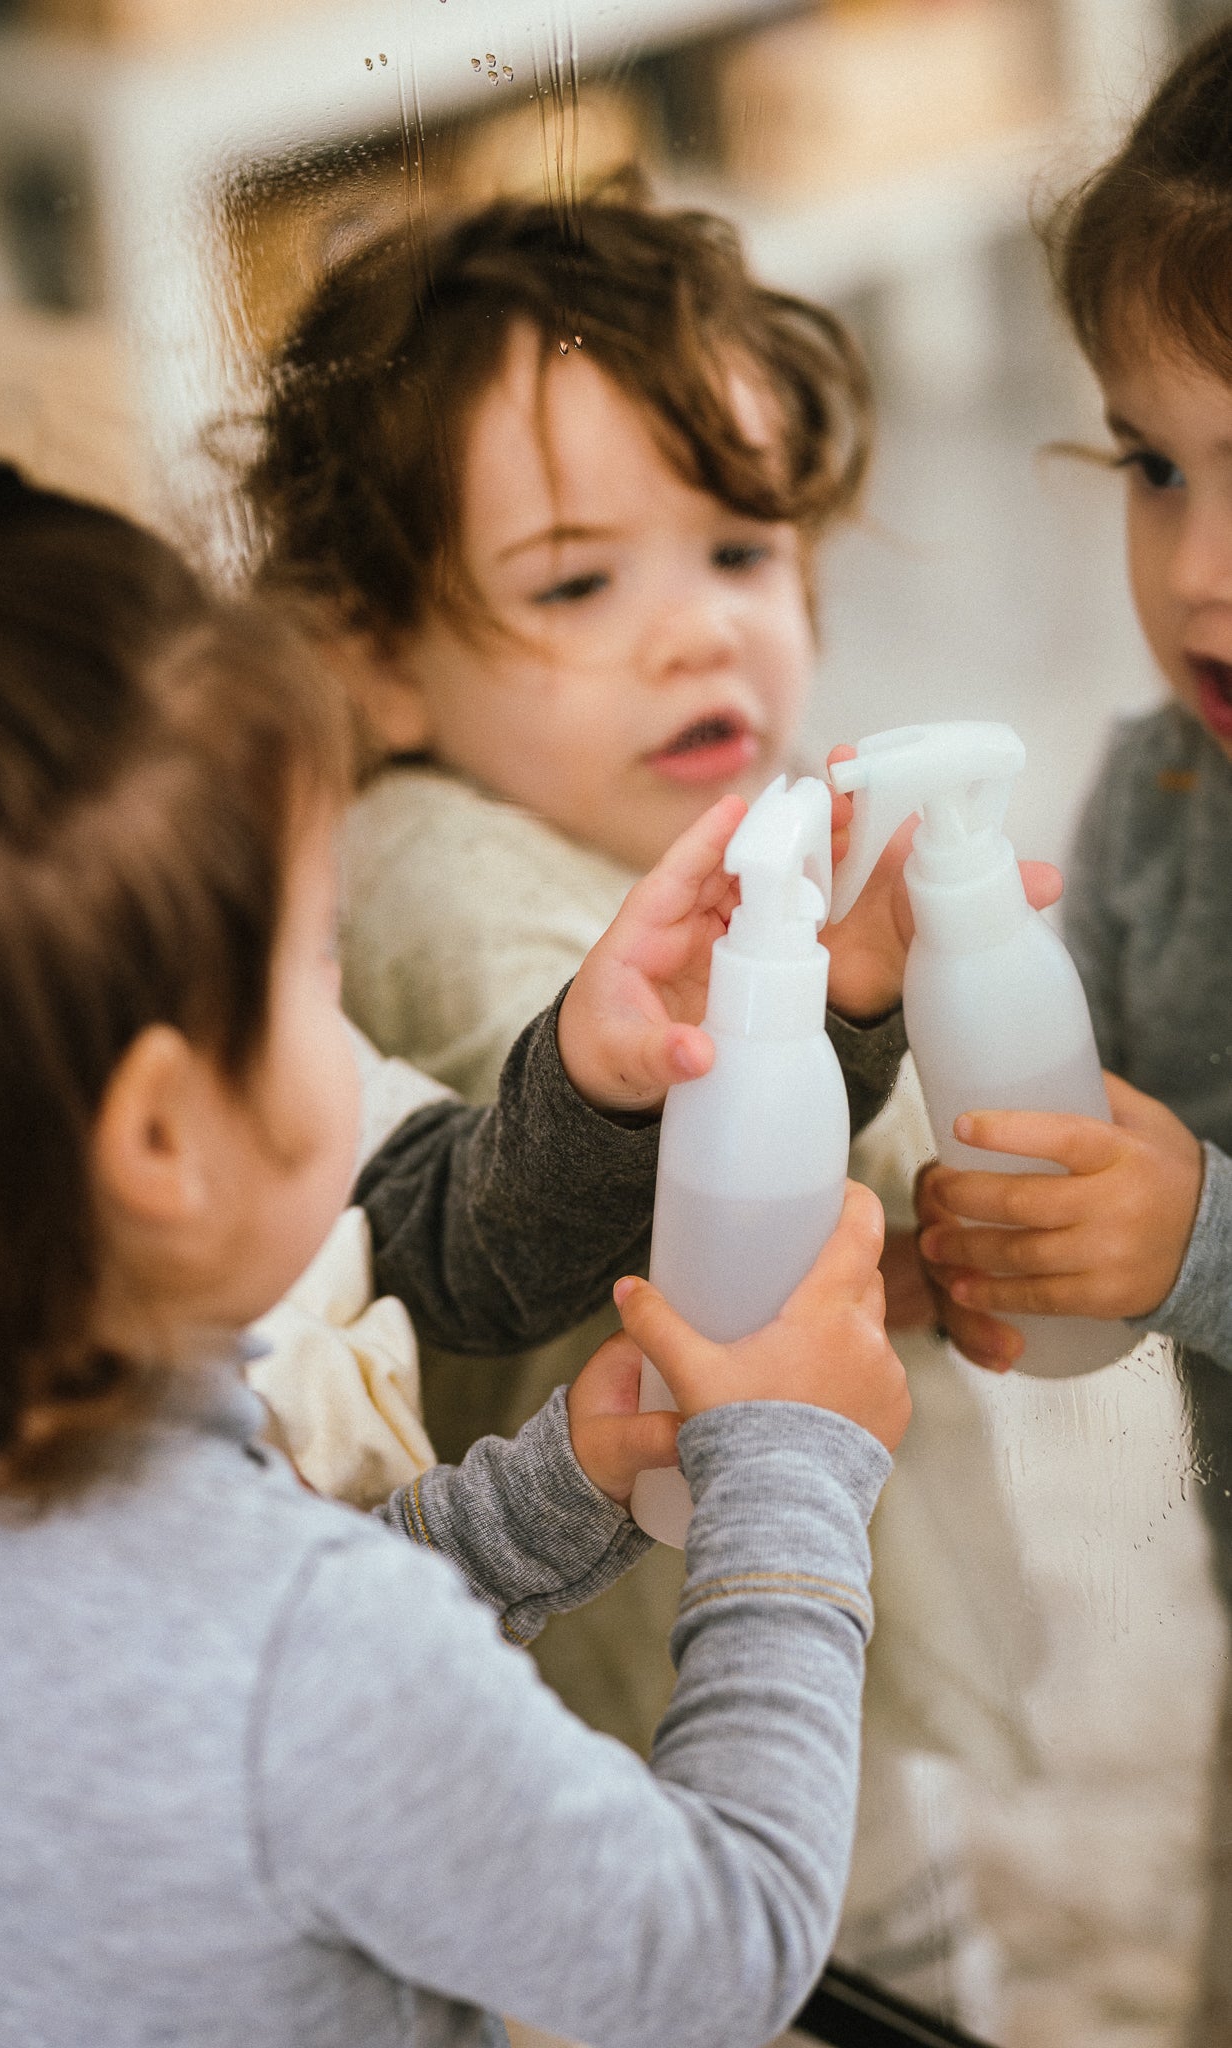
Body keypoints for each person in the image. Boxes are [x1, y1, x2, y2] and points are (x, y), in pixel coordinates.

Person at [0, 458, 911, 2048]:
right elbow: (718, 1948)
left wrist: (539, 1498)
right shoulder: (314, 1661)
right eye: (316, 961)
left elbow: (215, 1668)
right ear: (159, 1140)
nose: (343, 1019)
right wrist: (796, 1471)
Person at [244, 188, 1048, 2025]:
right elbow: (674, 1173)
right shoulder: (429, 875)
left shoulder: (707, 838)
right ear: (374, 652)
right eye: (579, 583)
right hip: (635, 1657)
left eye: (741, 553)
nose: (699, 638)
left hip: (763, 1585)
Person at [912, 24, 1232, 2041]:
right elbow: (1085, 1156)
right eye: (1152, 464)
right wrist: (964, 1198)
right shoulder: (1158, 797)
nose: (1197, 577)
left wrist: (1196, 1232)